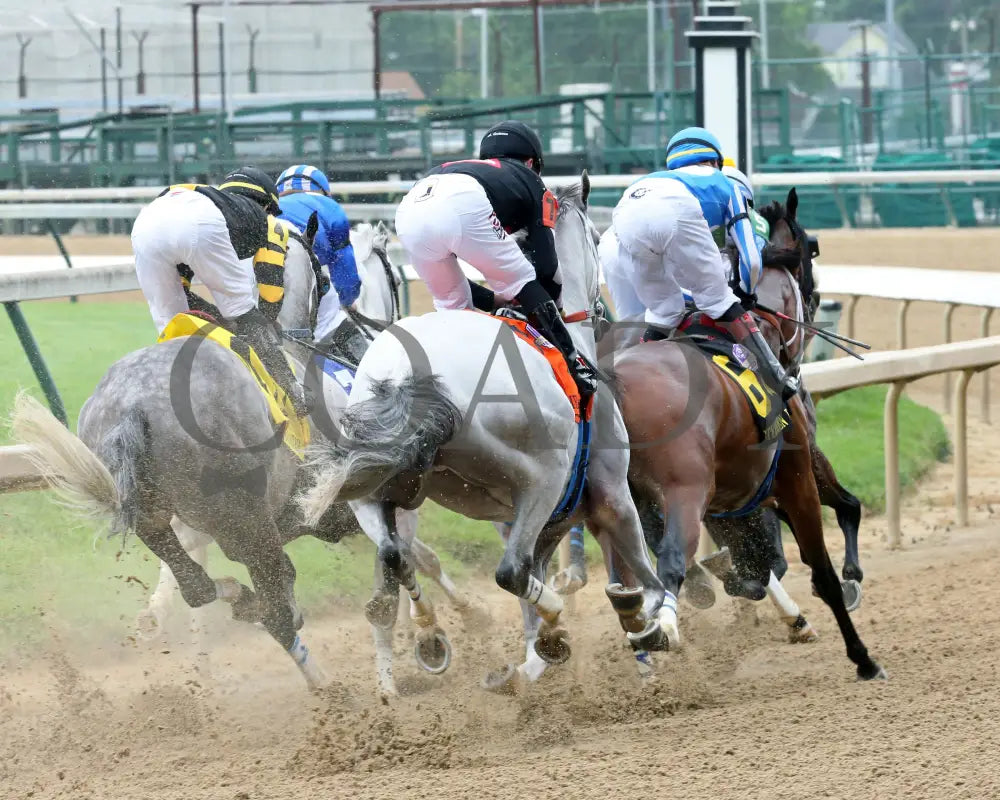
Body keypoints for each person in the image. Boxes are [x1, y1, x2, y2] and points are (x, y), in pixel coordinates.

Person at [393, 119, 597, 397]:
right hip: (462, 202)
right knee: (524, 280)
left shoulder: (466, 169)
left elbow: (457, 274)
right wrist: (551, 307)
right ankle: (575, 367)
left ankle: (450, 378)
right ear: (530, 163)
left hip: (408, 209)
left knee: (453, 304)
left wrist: (493, 300)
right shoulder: (530, 180)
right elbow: (547, 268)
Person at [611, 127, 798, 401]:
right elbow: (751, 259)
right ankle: (776, 376)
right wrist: (744, 296)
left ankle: (625, 368)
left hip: (623, 215)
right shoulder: (726, 183)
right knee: (719, 300)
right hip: (672, 211)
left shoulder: (656, 178)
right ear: (713, 162)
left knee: (664, 311)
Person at [131, 165, 309, 414]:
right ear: (266, 205)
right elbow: (270, 292)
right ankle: (294, 393)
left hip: (145, 224)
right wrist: (263, 328)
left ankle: (169, 393)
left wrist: (217, 319)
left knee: (172, 327)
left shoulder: (210, 199)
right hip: (200, 224)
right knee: (246, 316)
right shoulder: (267, 220)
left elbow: (184, 292)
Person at [275, 164, 366, 361]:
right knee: (371, 368)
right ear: (323, 190)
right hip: (307, 284)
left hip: (260, 283)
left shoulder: (269, 205)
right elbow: (345, 270)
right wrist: (348, 301)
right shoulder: (329, 207)